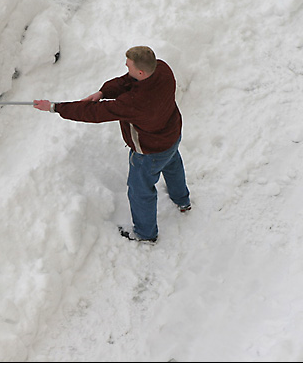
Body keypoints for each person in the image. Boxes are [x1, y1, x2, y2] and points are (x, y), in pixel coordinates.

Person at [33, 46, 191, 243]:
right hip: (171, 134)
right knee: (172, 164)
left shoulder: (135, 103)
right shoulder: (162, 69)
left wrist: (54, 107)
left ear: (141, 72)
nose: (126, 68)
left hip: (150, 150)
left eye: (128, 66)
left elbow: (95, 113)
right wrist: (103, 91)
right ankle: (182, 200)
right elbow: (129, 81)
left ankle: (145, 233)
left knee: (140, 190)